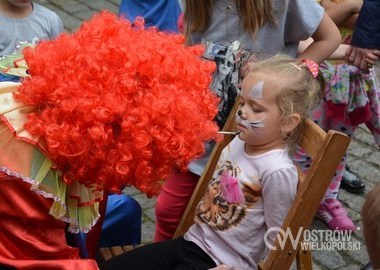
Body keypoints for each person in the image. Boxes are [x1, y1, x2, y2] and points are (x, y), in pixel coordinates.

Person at [0, 12, 220, 269]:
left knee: (127, 210)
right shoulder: (22, 172)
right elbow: (40, 261)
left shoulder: (81, 124)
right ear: (116, 131)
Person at [100, 55, 324, 270]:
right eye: (243, 102)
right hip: (191, 243)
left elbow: (279, 238)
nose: (243, 112)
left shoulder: (277, 171)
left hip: (221, 263)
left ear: (288, 122)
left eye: (256, 109)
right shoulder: (239, 141)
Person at [154, 0, 341, 242]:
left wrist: (287, 73)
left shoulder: (282, 4)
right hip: (199, 141)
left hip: (252, 149)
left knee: (227, 227)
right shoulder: (196, 4)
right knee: (169, 212)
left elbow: (330, 37)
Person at [295, 0, 380, 232]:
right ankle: (297, 195)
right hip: (316, 74)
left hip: (350, 76)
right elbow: (314, 24)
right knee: (305, 142)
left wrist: (355, 14)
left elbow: (363, 22)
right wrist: (356, 6)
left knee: (338, 146)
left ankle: (327, 199)